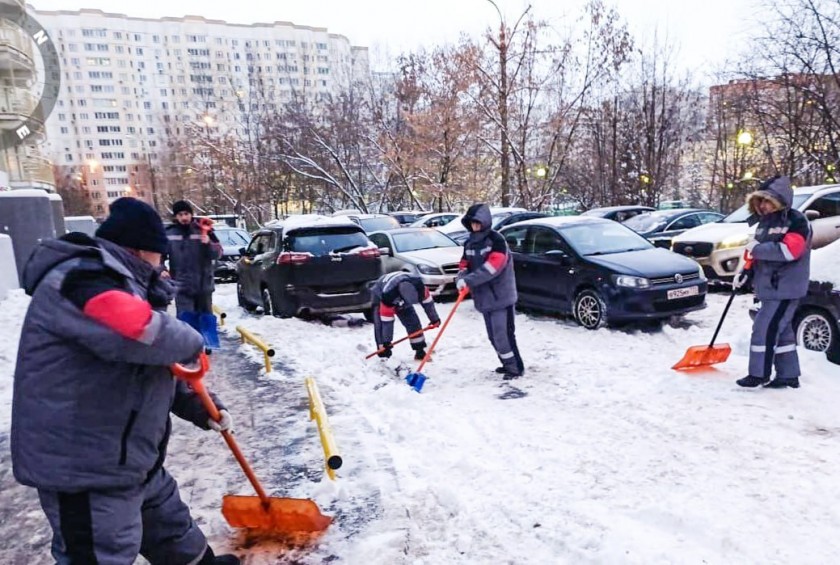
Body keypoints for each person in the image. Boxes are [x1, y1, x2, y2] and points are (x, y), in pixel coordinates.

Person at [11, 197, 238, 564]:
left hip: (130, 457)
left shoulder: (124, 284)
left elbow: (156, 366)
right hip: (85, 469)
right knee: (100, 554)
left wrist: (199, 405)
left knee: (174, 534)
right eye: (158, 257)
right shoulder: (79, 278)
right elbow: (140, 331)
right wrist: (193, 338)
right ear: (137, 250)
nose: (162, 266)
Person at [734, 176, 811, 389]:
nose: (763, 206)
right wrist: (746, 273)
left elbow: (789, 251)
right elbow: (756, 255)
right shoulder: (765, 224)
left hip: (785, 288)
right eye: (760, 201)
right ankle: (788, 375)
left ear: (779, 200)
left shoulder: (796, 221)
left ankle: (758, 375)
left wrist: (755, 248)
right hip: (770, 287)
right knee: (782, 332)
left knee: (764, 328)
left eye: (767, 201)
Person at [455, 203, 525, 379]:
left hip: (501, 297)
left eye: (478, 223)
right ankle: (506, 364)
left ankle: (515, 368)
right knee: (493, 337)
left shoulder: (497, 241)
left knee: (503, 335)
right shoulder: (469, 243)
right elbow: (464, 264)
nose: (475, 226)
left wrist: (468, 280)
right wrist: (461, 278)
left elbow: (493, 267)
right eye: (472, 223)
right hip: (484, 297)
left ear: (485, 222)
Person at [165, 200, 223, 318]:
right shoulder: (169, 234)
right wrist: (162, 269)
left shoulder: (204, 230)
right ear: (176, 217)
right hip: (182, 286)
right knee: (187, 324)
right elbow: (159, 254)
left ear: (191, 214)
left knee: (205, 322)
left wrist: (208, 243)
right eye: (180, 215)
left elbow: (218, 253)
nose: (184, 217)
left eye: (186, 214)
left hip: (204, 285)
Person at [373, 272, 441, 360]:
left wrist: (434, 319)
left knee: (413, 322)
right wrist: (387, 342)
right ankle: (383, 352)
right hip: (380, 293)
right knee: (380, 324)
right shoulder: (388, 295)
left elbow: (428, 304)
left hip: (402, 292)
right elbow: (387, 321)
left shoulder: (420, 288)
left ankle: (419, 351)